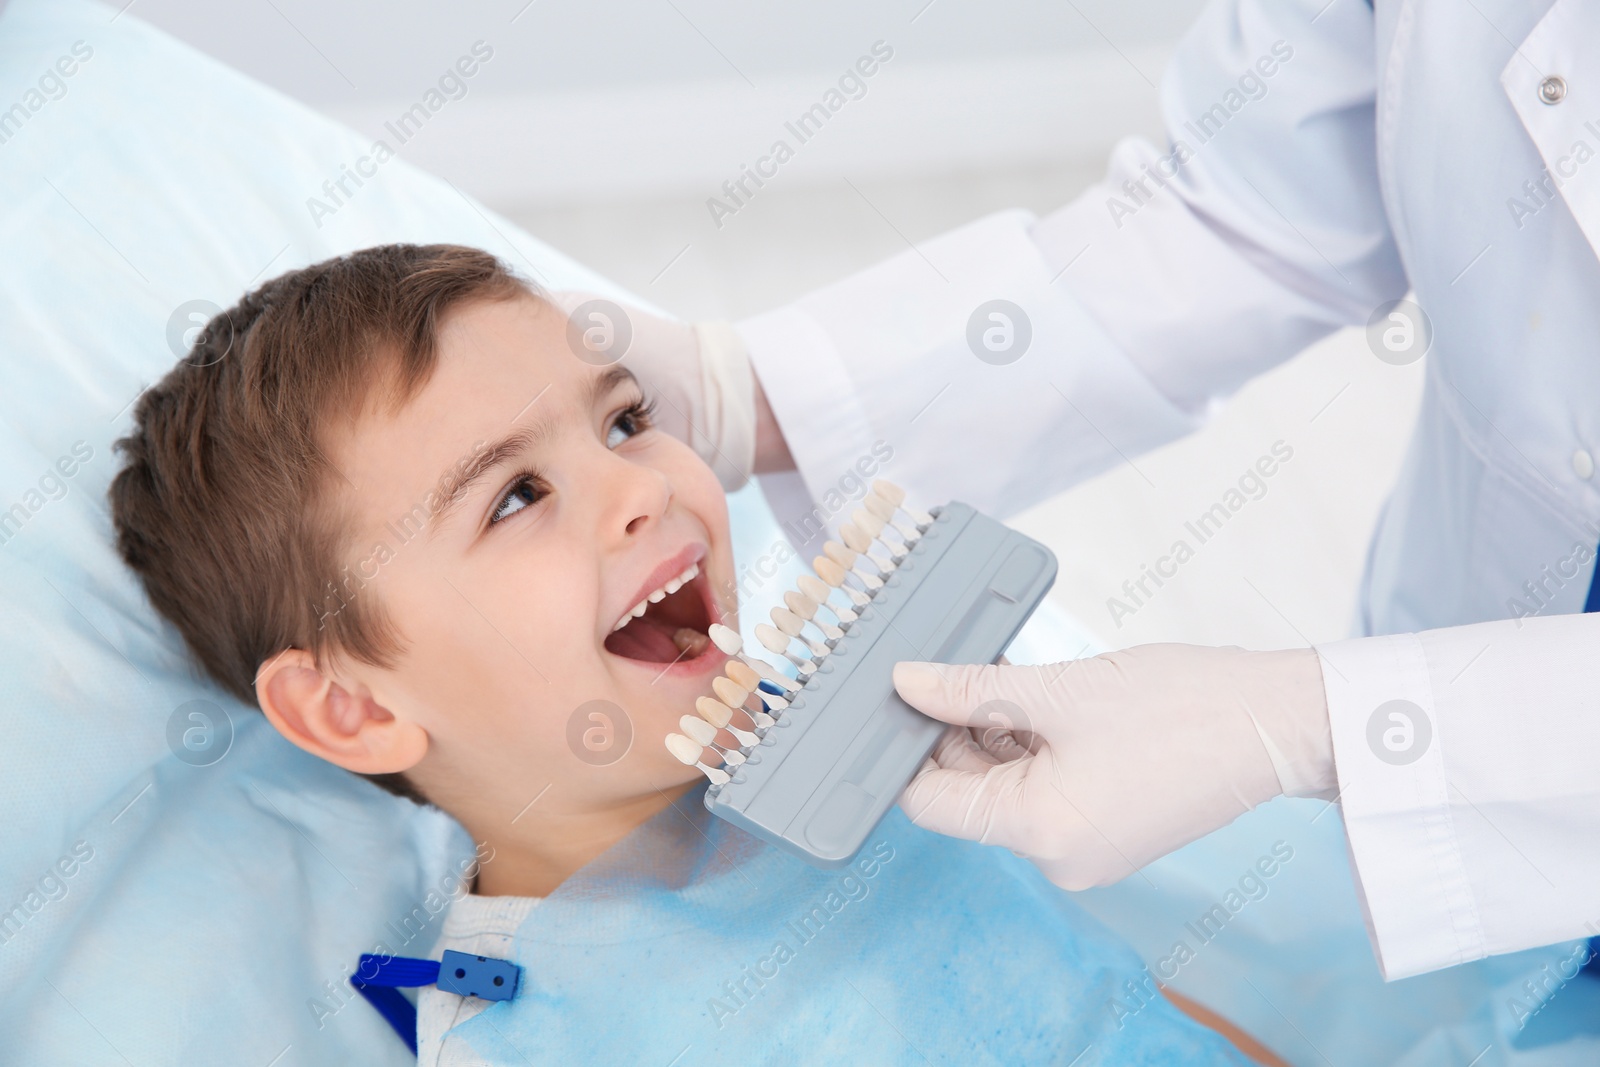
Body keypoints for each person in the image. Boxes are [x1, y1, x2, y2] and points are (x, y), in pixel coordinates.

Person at [615, 0, 1600, 983]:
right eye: (516, 493)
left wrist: (1314, 722)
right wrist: (746, 396)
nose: (624, 492)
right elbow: (1246, 217)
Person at [106, 243, 1276, 1063]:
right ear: (353, 709)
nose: (638, 483)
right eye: (514, 495)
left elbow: (1131, 1007)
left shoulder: (897, 760)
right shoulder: (520, 1030)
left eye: (622, 419)